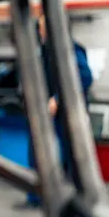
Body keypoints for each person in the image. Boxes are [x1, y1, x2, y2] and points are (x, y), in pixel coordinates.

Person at [25, 14, 93, 207]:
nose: (40, 30)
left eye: (44, 26)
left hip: (66, 112)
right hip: (45, 111)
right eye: (39, 26)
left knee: (71, 153)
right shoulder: (45, 49)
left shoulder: (69, 47)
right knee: (38, 150)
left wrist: (58, 99)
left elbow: (84, 77)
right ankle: (38, 196)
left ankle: (78, 197)